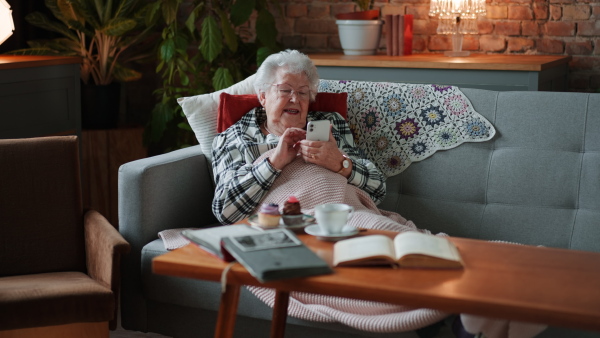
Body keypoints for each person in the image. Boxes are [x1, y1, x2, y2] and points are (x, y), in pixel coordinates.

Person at [211, 49, 386, 224]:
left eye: (303, 93)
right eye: (285, 90)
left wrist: (340, 163)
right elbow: (226, 211)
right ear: (263, 96)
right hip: (285, 224)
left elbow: (378, 189)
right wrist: (273, 163)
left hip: (344, 217)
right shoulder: (235, 137)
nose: (295, 99)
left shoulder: (331, 124)